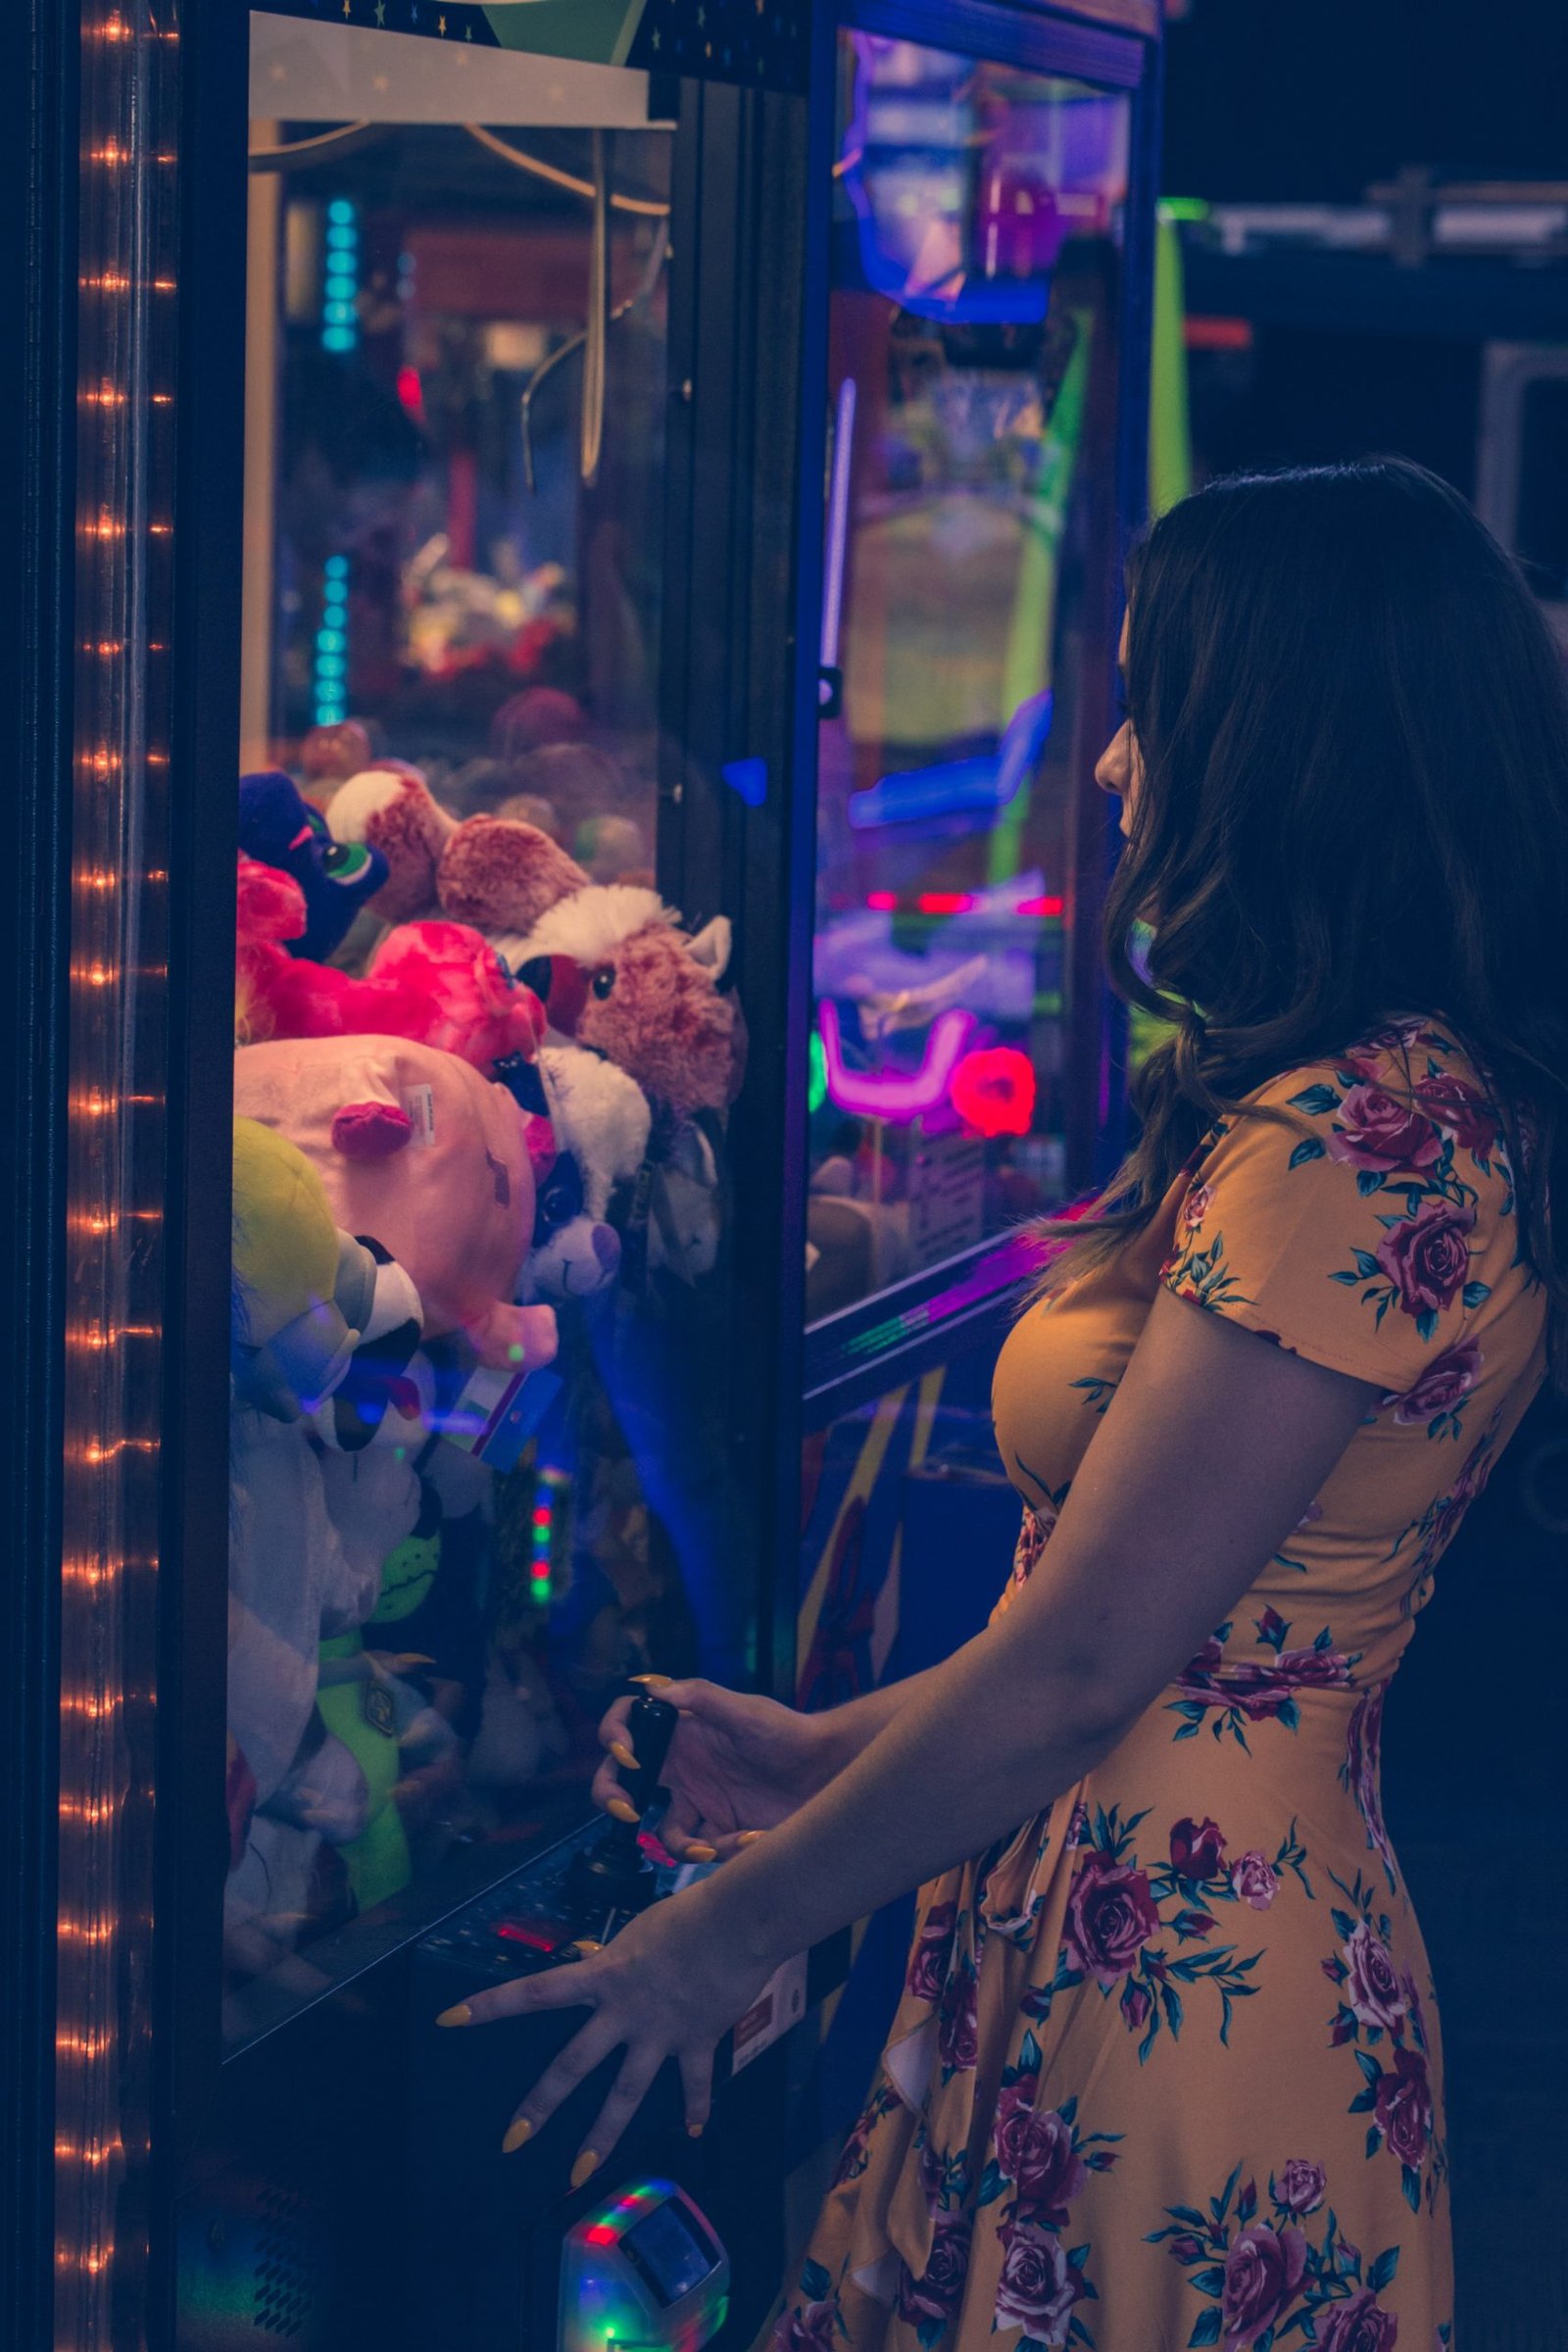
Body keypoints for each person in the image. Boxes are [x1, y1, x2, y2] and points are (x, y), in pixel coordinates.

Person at [437, 461, 1568, 2347]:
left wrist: (715, 1945)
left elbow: (1085, 1670)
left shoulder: (1362, 1141)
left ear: (1277, 749)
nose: (1114, 768)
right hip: (1125, 1905)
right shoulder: (1380, 1103)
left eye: (1149, 708)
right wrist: (817, 1761)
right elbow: (1140, 1635)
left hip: (1188, 1985)